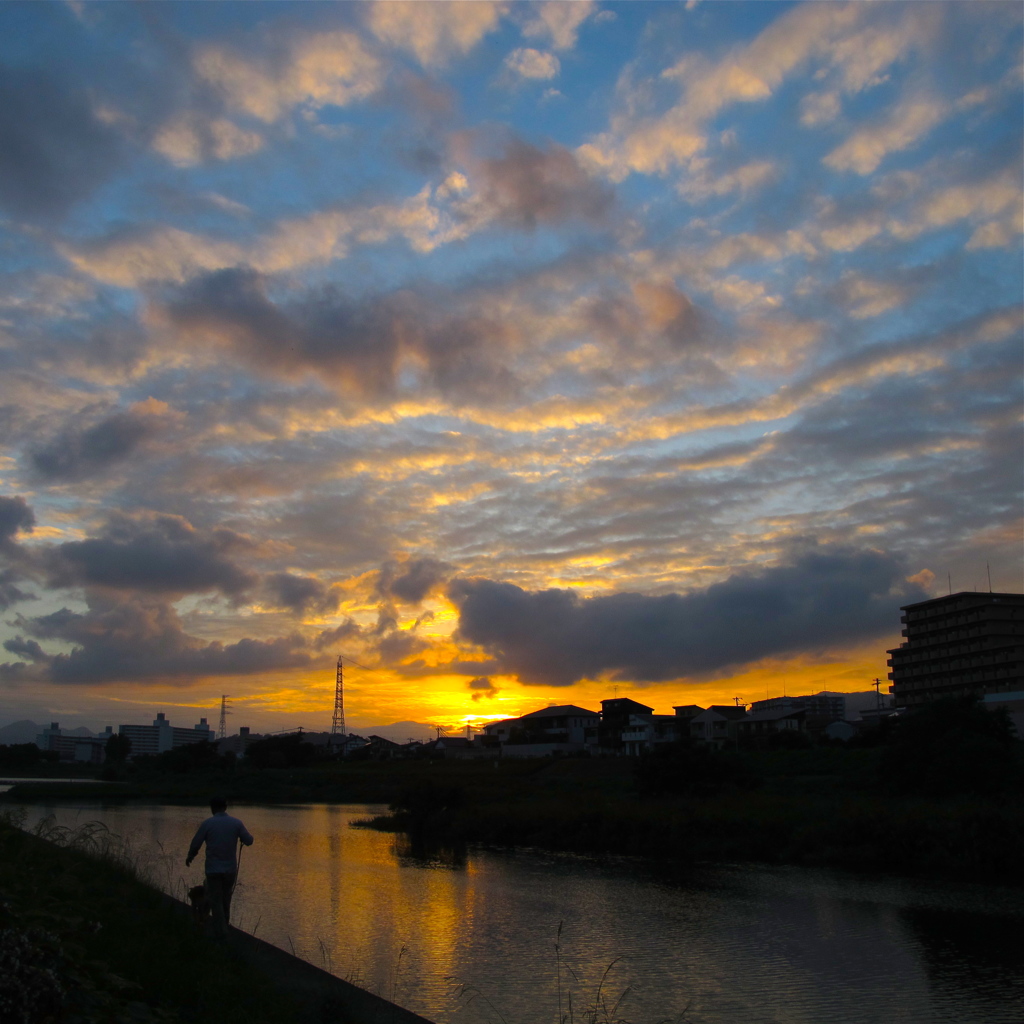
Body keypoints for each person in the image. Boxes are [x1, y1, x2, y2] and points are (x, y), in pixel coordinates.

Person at [186, 796, 253, 938]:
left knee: (215, 902)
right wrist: (241, 839)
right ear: (225, 807)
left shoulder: (208, 823)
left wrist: (190, 856)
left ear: (212, 808)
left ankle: (221, 933)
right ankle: (225, 929)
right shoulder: (236, 823)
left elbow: (196, 843)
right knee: (225, 900)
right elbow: (249, 840)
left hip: (213, 870)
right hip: (229, 870)